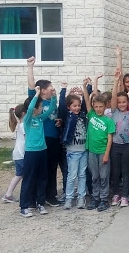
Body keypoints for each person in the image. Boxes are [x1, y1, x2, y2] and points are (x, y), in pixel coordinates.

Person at [27, 57, 64, 207]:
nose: (52, 89)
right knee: (41, 169)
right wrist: (30, 67)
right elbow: (31, 86)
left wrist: (60, 121)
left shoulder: (52, 102)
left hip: (54, 138)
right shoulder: (37, 102)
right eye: (50, 88)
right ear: (42, 90)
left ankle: (51, 195)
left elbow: (55, 113)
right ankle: (36, 196)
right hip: (43, 139)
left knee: (52, 168)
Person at [19, 86, 57, 217]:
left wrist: (54, 95)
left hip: (42, 151)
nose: (41, 109)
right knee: (29, 178)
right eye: (40, 107)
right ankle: (24, 206)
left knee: (42, 178)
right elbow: (30, 109)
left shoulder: (40, 118)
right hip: (31, 153)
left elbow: (51, 108)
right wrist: (36, 94)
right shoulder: (27, 119)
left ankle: (40, 203)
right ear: (35, 108)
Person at [82, 79, 115, 212]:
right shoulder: (91, 115)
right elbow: (86, 101)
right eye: (96, 106)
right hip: (92, 151)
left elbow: (110, 138)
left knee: (104, 176)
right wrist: (84, 87)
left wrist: (106, 154)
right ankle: (95, 198)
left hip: (103, 152)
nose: (98, 109)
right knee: (94, 176)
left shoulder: (108, 121)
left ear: (105, 106)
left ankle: (104, 199)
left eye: (101, 106)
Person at [109, 69, 129, 208]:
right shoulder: (114, 112)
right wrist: (116, 82)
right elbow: (113, 97)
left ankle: (125, 195)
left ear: (128, 102)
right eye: (119, 102)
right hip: (115, 145)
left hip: (127, 146)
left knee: (126, 172)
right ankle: (116, 194)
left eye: (124, 102)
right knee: (116, 172)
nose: (121, 104)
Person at [60, 83, 89, 210]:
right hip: (72, 151)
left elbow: (86, 105)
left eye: (78, 105)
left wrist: (86, 89)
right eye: (74, 106)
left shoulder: (82, 116)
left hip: (83, 150)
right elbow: (61, 107)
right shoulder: (68, 116)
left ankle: (81, 197)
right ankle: (69, 198)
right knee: (72, 176)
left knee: (82, 175)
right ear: (69, 107)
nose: (77, 108)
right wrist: (63, 91)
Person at [2, 104, 25, 204]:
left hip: (17, 154)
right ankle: (26, 195)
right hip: (22, 154)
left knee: (19, 175)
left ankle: (8, 194)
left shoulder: (20, 125)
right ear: (24, 113)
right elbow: (27, 140)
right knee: (25, 176)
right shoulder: (24, 126)